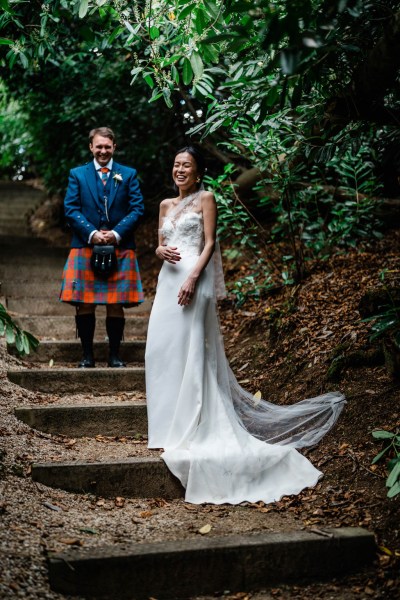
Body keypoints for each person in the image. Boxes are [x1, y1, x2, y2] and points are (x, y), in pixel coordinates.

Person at [145, 146, 346, 505]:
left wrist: (194, 277)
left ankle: (192, 423)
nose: (179, 170)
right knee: (161, 349)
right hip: (167, 280)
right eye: (175, 164)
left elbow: (209, 243)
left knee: (192, 349)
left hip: (194, 278)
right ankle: (164, 426)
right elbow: (160, 245)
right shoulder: (164, 205)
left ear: (198, 171)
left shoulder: (206, 198)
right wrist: (159, 252)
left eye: (186, 165)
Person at [59, 127, 144, 368]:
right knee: (85, 302)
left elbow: (137, 209)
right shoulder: (78, 174)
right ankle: (87, 356)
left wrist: (116, 233)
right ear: (91, 147)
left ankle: (114, 355)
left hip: (121, 245)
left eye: (107, 146)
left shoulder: (128, 174)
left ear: (114, 147)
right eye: (99, 146)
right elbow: (71, 209)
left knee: (115, 303)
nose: (103, 151)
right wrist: (92, 233)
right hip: (85, 245)